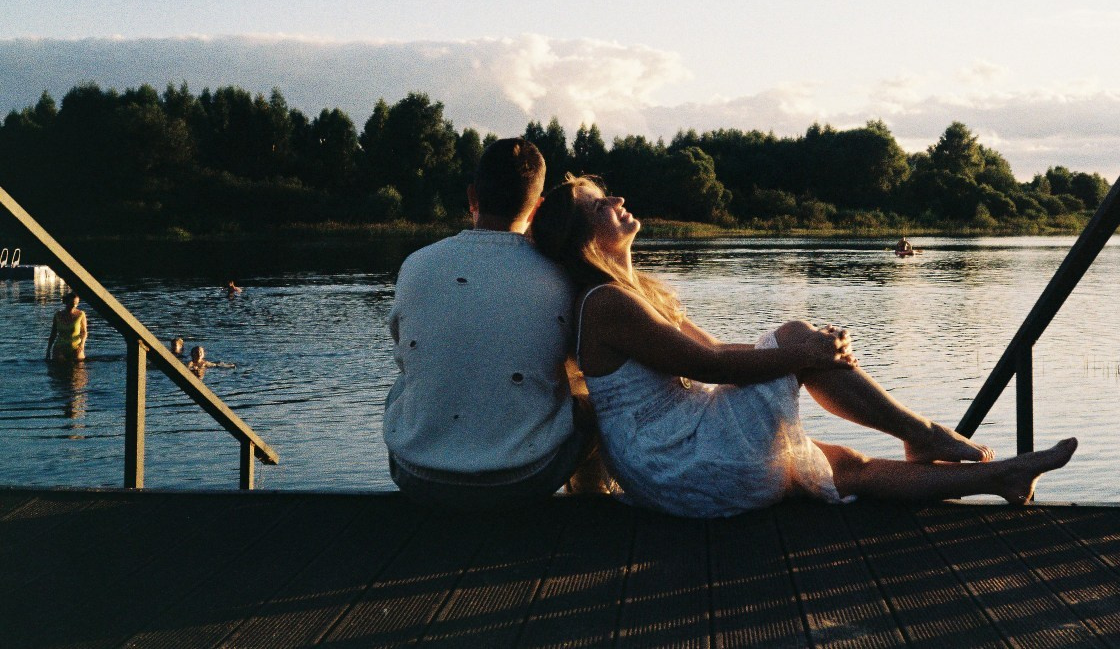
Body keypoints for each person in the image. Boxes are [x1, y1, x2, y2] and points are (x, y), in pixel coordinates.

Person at [531, 175, 1077, 519]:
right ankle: (923, 433)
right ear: (587, 238)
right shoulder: (604, 302)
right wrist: (805, 353)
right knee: (793, 335)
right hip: (677, 460)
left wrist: (812, 353)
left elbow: (719, 347)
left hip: (682, 455)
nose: (619, 198)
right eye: (601, 203)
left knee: (848, 466)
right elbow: (710, 365)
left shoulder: (635, 292)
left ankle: (1001, 475)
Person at [383, 138, 604, 511]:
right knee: (592, 394)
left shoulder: (416, 265)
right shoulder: (559, 273)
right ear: (538, 207)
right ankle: (589, 507)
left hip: (417, 477)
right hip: (526, 480)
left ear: (473, 195)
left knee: (405, 380)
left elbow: (406, 357)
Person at [45, 292, 88, 363]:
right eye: (72, 303)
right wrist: (48, 350)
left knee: (79, 370)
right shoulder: (57, 315)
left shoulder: (81, 314)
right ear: (66, 302)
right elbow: (53, 334)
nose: (74, 305)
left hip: (76, 347)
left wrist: (82, 345)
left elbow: (84, 332)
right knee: (59, 368)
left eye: (77, 303)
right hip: (59, 347)